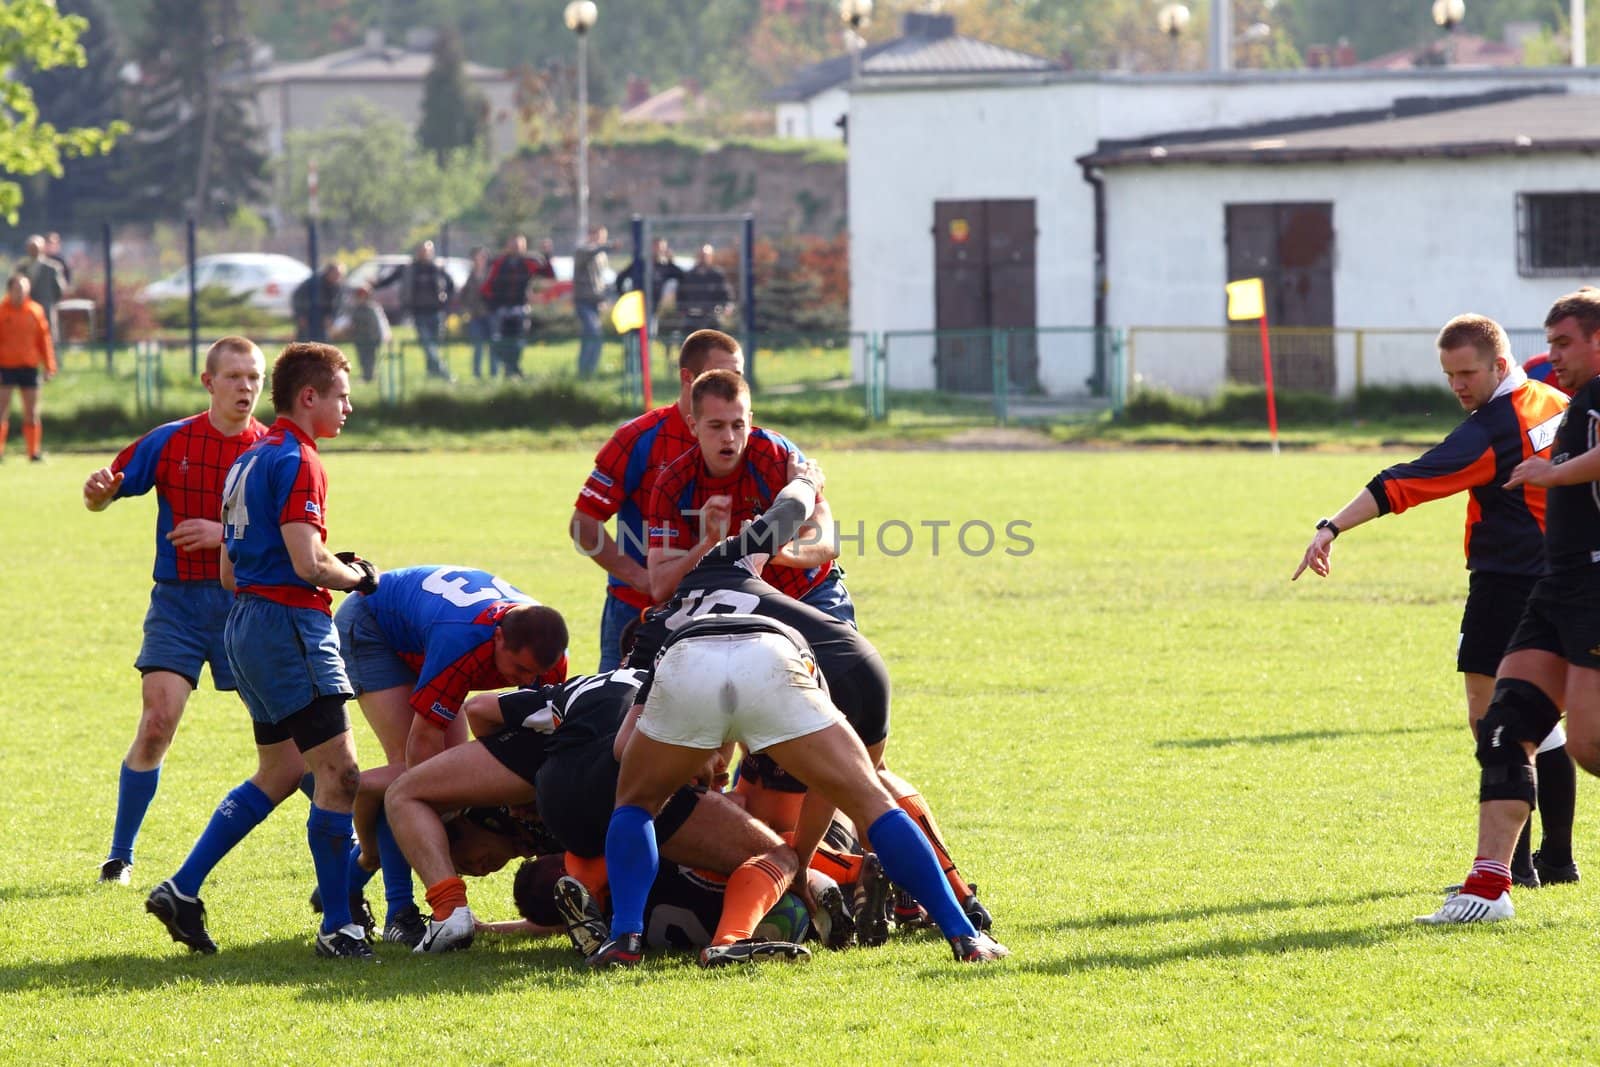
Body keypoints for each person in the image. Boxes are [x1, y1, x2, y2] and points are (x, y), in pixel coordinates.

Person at [589, 466, 1009, 967]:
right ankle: (965, 936)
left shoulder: (655, 627)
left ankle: (625, 939)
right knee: (871, 798)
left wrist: (683, 762)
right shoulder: (724, 560)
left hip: (687, 662)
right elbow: (786, 512)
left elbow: (622, 745)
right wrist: (809, 480)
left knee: (635, 803)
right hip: (773, 655)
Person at [1293, 314, 1576, 889]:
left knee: (1491, 715)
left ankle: (1514, 864)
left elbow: (1406, 481)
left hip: (1508, 581)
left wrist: (1332, 526)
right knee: (1540, 720)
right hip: (1557, 578)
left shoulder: (1492, 428)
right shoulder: (1550, 398)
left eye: (1467, 372)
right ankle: (1554, 860)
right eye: (1449, 375)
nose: (1457, 386)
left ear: (1499, 365)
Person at [144, 342, 379, 959]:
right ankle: (338, 924)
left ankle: (183, 888)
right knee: (341, 773)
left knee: (281, 771)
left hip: (244, 621)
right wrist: (360, 576)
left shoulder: (248, 460)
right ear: (309, 397)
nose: (348, 407)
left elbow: (228, 571)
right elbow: (309, 562)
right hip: (287, 626)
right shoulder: (301, 459)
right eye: (341, 395)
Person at [1418, 290, 1600, 924]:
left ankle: (1534, 864)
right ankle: (1500, 880)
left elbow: (1416, 476)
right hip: (1553, 582)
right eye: (1547, 346)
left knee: (1574, 738)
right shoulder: (1568, 403)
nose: (1551, 357)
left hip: (1558, 585)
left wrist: (1552, 475)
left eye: (1563, 344)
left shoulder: (1566, 406)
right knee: (1508, 726)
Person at [84, 337, 268, 887]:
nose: (246, 387)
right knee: (157, 723)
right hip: (178, 605)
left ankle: (344, 837)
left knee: (288, 736)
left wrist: (223, 534)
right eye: (234, 376)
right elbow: (104, 493)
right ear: (208, 382)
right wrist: (96, 494)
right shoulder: (171, 441)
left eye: (254, 377)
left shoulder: (274, 451)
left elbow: (297, 541)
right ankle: (120, 855)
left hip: (249, 607)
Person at [333, 564, 567, 944]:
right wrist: (438, 815)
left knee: (447, 776)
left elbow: (534, 743)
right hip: (375, 624)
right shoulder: (463, 643)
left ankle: (351, 877)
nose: (528, 681)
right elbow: (422, 748)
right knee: (412, 781)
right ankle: (399, 913)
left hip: (430, 632)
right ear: (498, 640)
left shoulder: (548, 661)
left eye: (537, 672)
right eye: (520, 669)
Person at [569, 329, 745, 671]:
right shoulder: (639, 438)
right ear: (686, 377)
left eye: (737, 375)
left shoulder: (743, 437)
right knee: (618, 715)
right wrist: (640, 578)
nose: (731, 383)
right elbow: (583, 525)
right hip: (637, 611)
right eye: (720, 373)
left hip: (720, 608)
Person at [647, 368, 854, 623]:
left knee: (847, 662)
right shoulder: (673, 483)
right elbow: (661, 587)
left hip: (808, 595)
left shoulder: (776, 456)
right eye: (716, 426)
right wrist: (711, 542)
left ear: (750, 420)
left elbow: (828, 542)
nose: (729, 437)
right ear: (693, 425)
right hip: (734, 608)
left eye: (738, 425)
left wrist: (762, 549)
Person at [375, 239, 456, 381]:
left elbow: (451, 284)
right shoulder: (409, 268)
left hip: (436, 312)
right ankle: (444, 373)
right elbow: (390, 279)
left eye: (427, 251)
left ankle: (432, 374)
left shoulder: (437, 268)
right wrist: (374, 285)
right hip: (418, 312)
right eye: (422, 251)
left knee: (433, 346)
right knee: (426, 343)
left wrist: (446, 301)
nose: (424, 254)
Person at [480, 234, 553, 378]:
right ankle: (508, 370)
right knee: (500, 341)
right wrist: (491, 304)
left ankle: (512, 369)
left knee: (518, 340)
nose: (516, 248)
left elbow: (548, 274)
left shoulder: (529, 262)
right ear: (508, 246)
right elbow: (487, 285)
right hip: (500, 308)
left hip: (519, 307)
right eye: (513, 245)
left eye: (519, 245)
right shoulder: (499, 262)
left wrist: (547, 255)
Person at [0, 273, 55, 462]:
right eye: (17, 290)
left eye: (24, 290)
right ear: (9, 291)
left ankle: (33, 452)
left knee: (32, 412)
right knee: (1, 410)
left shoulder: (35, 311)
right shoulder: (2, 311)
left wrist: (49, 366)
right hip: (5, 367)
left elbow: (44, 340)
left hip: (29, 367)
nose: (21, 293)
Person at [617, 236, 684, 341]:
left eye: (661, 248)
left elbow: (681, 275)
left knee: (649, 336)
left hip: (653, 308)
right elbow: (620, 278)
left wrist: (670, 260)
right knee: (635, 337)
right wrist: (623, 296)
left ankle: (645, 357)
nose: (658, 250)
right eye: (655, 247)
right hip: (637, 307)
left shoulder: (665, 266)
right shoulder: (640, 264)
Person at [573, 225, 610, 379]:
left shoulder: (602, 255)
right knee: (593, 333)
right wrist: (606, 247)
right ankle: (584, 371)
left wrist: (604, 298)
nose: (600, 240)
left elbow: (601, 279)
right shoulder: (582, 251)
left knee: (592, 336)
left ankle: (589, 371)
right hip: (583, 301)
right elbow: (591, 251)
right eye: (597, 236)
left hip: (596, 302)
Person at [16, 235, 66, 341]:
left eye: (36, 247)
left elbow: (59, 290)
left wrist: (49, 302)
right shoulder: (22, 267)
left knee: (48, 340)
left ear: (42, 248)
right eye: (31, 248)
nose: (33, 250)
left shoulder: (52, 268)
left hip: (45, 310)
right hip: (25, 311)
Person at [677, 244, 731, 332]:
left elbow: (726, 294)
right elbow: (680, 294)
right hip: (692, 316)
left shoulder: (717, 275)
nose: (703, 258)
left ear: (711, 257)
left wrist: (726, 306)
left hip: (712, 315)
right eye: (701, 255)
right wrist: (681, 308)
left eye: (706, 256)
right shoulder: (688, 275)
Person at [345, 285, 389, 384]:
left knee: (371, 358)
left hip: (372, 338)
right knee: (362, 358)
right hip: (359, 338)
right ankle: (366, 375)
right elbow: (350, 323)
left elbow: (381, 322)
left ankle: (369, 376)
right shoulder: (354, 309)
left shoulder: (373, 308)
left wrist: (385, 335)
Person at [462, 247, 494, 380]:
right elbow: (465, 295)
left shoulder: (492, 274)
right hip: (476, 315)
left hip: (491, 314)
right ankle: (477, 375)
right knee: (478, 346)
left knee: (493, 346)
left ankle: (494, 374)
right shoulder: (471, 275)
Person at [292, 263, 345, 342]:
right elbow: (297, 297)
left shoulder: (337, 287)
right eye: (336, 274)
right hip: (308, 319)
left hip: (322, 323)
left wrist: (331, 317)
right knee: (304, 346)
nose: (338, 277)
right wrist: (300, 315)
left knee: (323, 346)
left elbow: (338, 305)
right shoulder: (313, 282)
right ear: (328, 272)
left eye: (339, 275)